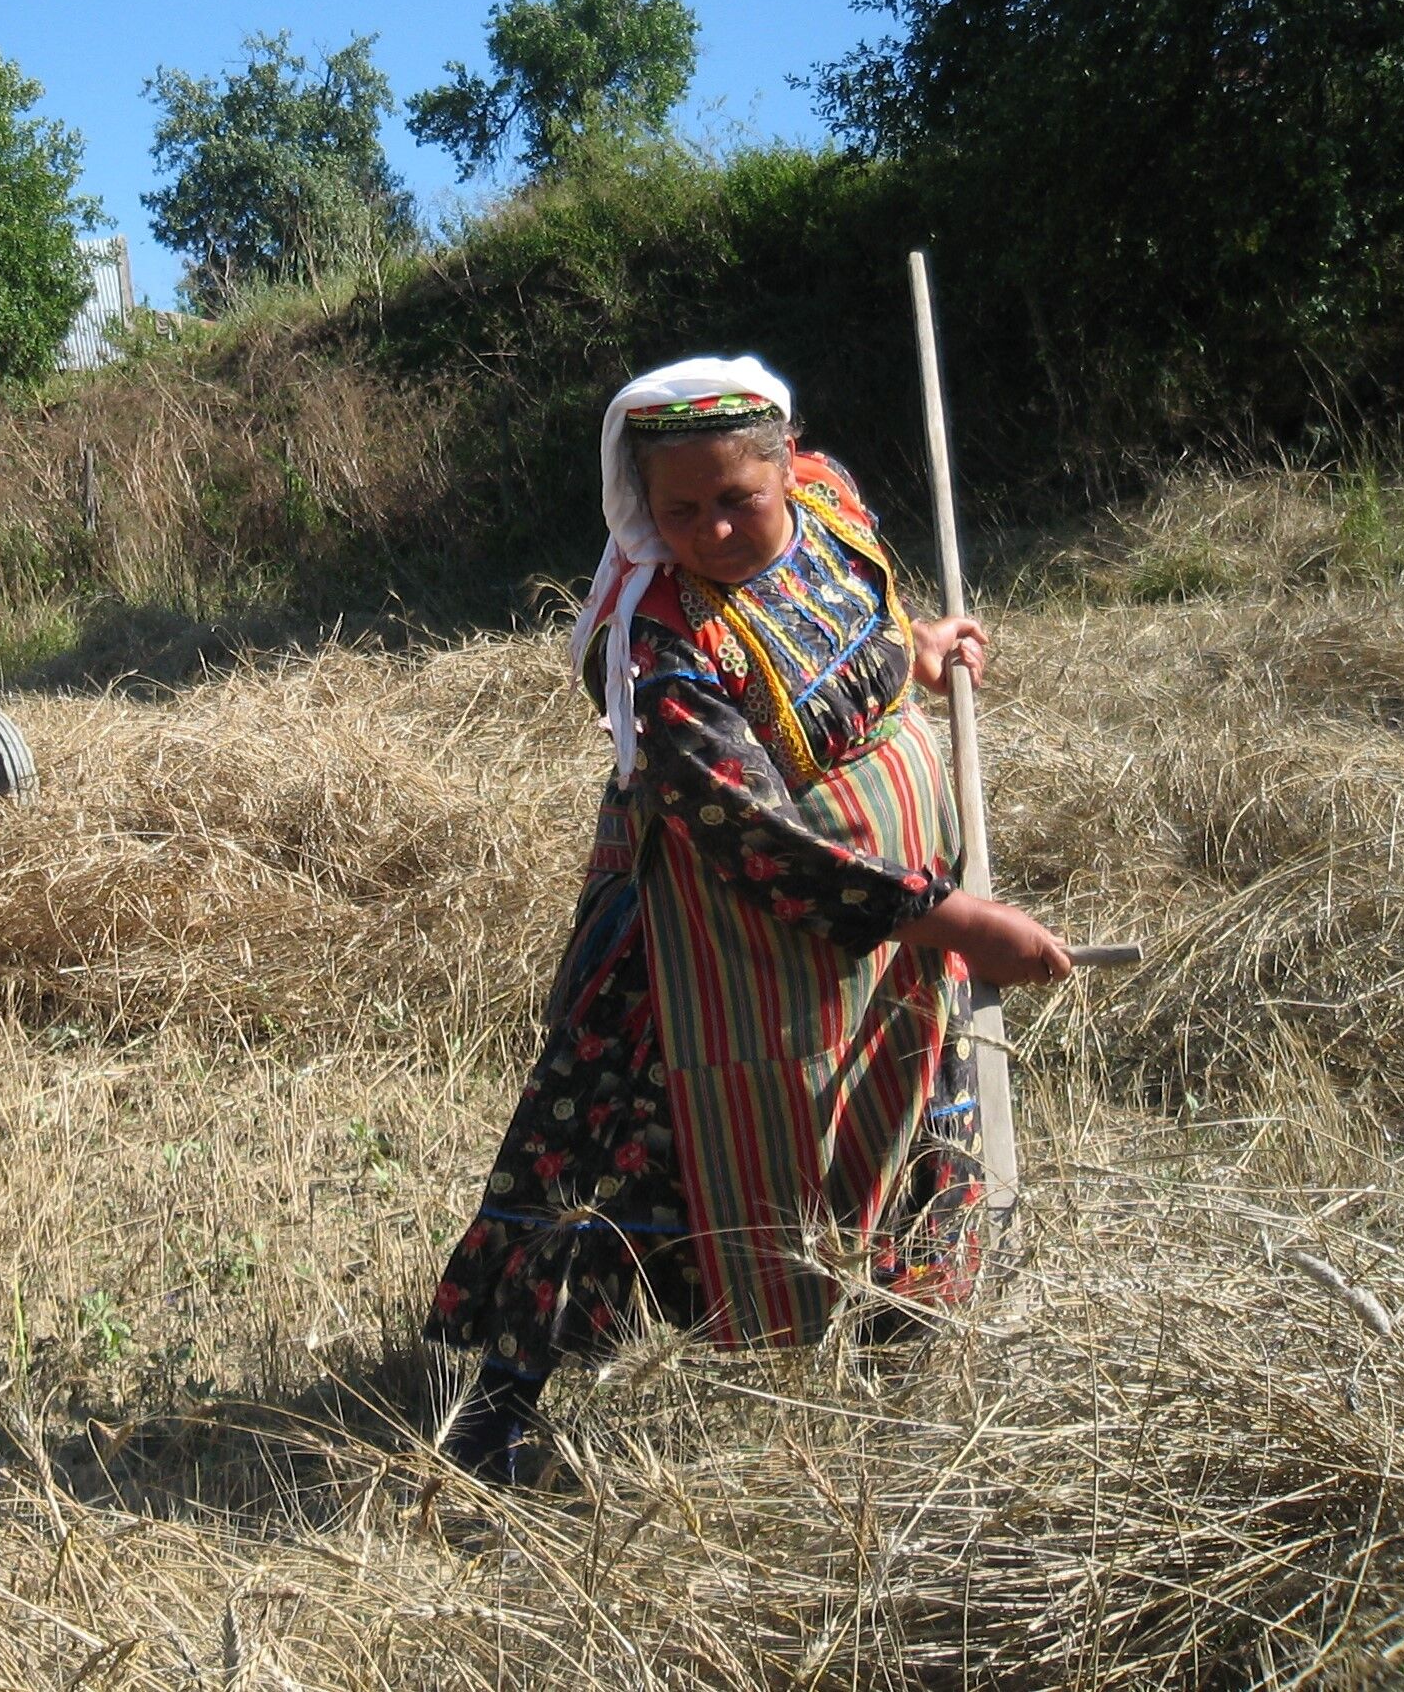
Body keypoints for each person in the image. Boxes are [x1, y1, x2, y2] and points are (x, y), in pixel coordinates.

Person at [424, 356, 1072, 1480]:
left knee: (902, 1102)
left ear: (786, 466)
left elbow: (859, 610)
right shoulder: (662, 643)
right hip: (718, 927)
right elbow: (757, 842)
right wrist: (952, 917)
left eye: (739, 499)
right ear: (642, 508)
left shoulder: (827, 501)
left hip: (897, 901)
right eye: (680, 510)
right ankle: (495, 1420)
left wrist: (907, 654)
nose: (715, 528)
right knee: (627, 1148)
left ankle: (895, 1335)